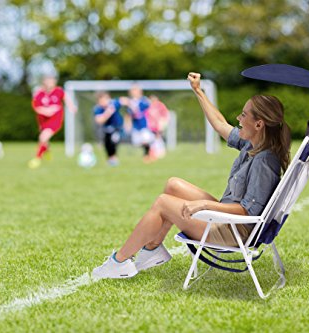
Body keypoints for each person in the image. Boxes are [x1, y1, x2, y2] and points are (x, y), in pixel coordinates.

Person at [92, 72, 291, 279]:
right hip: (227, 220)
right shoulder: (253, 144)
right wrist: (198, 90)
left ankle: (119, 261)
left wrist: (204, 206)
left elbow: (248, 212)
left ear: (259, 125)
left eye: (243, 115)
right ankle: (152, 250)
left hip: (232, 231)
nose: (238, 119)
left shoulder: (265, 160)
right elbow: (220, 124)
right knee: (173, 185)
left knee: (163, 203)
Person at [28, 74, 76, 169]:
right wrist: (46, 111)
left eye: (52, 81)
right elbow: (35, 107)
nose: (50, 83)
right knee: (44, 140)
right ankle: (47, 151)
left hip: (55, 120)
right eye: (48, 81)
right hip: (43, 120)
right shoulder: (39, 93)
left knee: (42, 137)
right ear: (44, 82)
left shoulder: (58, 91)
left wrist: (71, 106)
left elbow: (66, 98)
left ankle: (37, 159)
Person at [120, 84, 154, 163]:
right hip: (136, 127)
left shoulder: (144, 100)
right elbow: (129, 115)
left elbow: (145, 109)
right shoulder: (130, 102)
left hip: (144, 126)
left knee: (146, 140)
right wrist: (127, 124)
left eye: (135, 90)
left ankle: (148, 155)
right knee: (137, 143)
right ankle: (148, 153)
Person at [93, 91, 124, 166]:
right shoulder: (98, 109)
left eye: (105, 100)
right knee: (107, 144)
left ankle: (114, 158)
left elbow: (124, 100)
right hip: (106, 128)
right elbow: (99, 120)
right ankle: (110, 159)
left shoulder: (114, 103)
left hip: (117, 127)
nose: (103, 102)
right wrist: (108, 113)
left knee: (113, 141)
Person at [146, 95, 170, 159]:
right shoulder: (149, 106)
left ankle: (160, 152)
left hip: (158, 125)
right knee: (153, 139)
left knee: (157, 138)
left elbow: (165, 115)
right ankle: (156, 152)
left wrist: (162, 124)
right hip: (151, 126)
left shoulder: (160, 105)